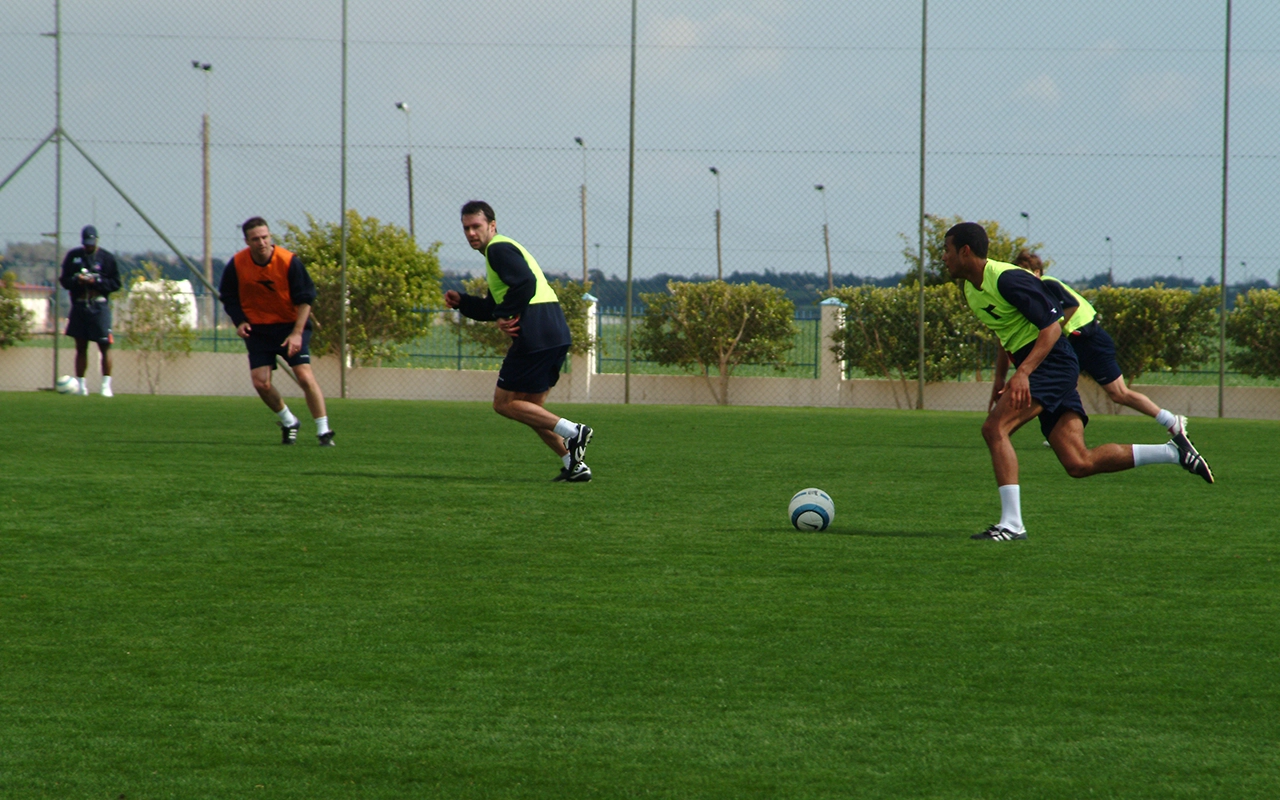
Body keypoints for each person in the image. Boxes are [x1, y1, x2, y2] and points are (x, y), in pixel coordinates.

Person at [942, 222, 1212, 542]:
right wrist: (1007, 377)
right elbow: (1009, 335)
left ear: (965, 251)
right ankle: (1173, 453)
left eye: (946, 250)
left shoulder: (1007, 278)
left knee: (994, 429)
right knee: (1078, 462)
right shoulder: (971, 290)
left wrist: (1024, 373)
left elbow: (1052, 328)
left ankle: (1012, 524)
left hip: (1052, 365)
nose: (942, 258)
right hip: (1042, 367)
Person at [445, 200, 594, 482]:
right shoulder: (500, 251)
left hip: (535, 331)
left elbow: (526, 283)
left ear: (492, 226)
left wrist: (505, 314)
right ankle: (574, 464)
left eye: (476, 226)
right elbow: (494, 306)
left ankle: (576, 432)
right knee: (531, 411)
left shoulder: (498, 249)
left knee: (503, 404)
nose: (471, 233)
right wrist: (463, 303)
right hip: (554, 330)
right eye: (466, 228)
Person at [1011, 249, 1199, 448]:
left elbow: (1071, 305)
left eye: (1030, 271)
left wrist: (1054, 331)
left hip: (1091, 341)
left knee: (1119, 393)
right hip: (1075, 345)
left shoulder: (1047, 284)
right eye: (1021, 272)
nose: (1027, 276)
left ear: (1039, 271)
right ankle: (1065, 436)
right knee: (1062, 389)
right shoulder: (1035, 292)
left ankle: (1170, 421)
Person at [219, 217, 334, 446]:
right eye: (255, 239)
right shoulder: (238, 264)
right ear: (247, 241)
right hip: (259, 329)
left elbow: (306, 299)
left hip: (289, 326)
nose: (261, 242)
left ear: (270, 237)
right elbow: (229, 297)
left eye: (265, 237)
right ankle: (289, 421)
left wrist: (297, 333)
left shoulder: (288, 261)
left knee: (304, 376)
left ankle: (323, 431)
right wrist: (240, 321)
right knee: (261, 382)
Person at [59, 225, 121, 396]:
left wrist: (97, 282)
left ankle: (105, 385)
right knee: (80, 347)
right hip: (80, 305)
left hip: (99, 306)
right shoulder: (73, 256)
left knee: (104, 345)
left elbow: (115, 284)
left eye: (91, 243)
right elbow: (64, 280)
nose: (89, 246)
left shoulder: (106, 258)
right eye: (86, 244)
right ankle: (81, 385)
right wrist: (77, 280)